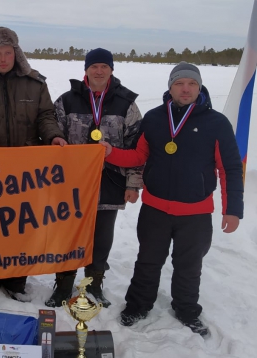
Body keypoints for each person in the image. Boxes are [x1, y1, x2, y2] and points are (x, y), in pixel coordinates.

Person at [101, 62, 244, 336]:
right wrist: (111, 153)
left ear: (199, 87)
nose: (186, 88)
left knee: (189, 266)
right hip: (155, 209)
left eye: (191, 83)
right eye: (179, 83)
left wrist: (233, 209)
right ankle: (137, 305)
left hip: (196, 214)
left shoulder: (216, 123)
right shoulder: (154, 118)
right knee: (148, 261)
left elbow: (230, 169)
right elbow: (138, 157)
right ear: (170, 87)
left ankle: (187, 309)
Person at [0, 26, 67, 305]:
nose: (3, 59)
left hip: (26, 173)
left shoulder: (35, 83)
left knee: (21, 226)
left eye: (8, 53)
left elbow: (46, 116)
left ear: (16, 54)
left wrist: (53, 135)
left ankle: (16, 280)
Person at [45, 48, 143, 308]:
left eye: (104, 66)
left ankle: (94, 284)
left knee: (101, 238)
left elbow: (138, 148)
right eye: (94, 66)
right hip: (71, 185)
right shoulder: (66, 100)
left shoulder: (126, 103)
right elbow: (52, 136)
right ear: (86, 70)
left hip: (110, 183)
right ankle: (64, 285)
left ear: (111, 69)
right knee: (68, 236)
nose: (99, 71)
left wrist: (133, 184)